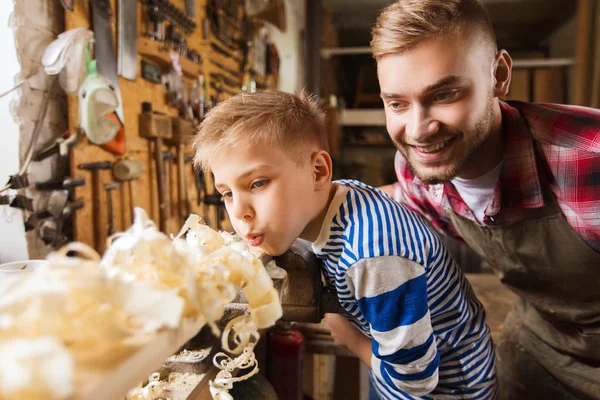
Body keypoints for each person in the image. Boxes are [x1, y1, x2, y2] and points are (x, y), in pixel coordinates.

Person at [192, 90, 497, 399]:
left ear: (318, 171)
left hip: (449, 389)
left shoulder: (373, 255)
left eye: (258, 183)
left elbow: (415, 379)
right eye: (227, 193)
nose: (240, 213)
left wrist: (348, 336)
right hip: (393, 356)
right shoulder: (343, 196)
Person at [371, 1, 600, 399]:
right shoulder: (419, 165)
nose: (419, 129)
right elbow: (396, 199)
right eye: (397, 103)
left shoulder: (587, 161)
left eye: (444, 94)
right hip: (538, 346)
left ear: (499, 75)